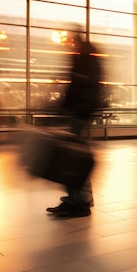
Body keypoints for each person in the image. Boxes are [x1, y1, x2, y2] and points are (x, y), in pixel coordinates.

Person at [46, 31, 102, 218]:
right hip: (80, 111)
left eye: (70, 41)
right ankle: (78, 198)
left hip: (78, 112)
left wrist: (63, 106)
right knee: (74, 156)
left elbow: (77, 87)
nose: (68, 44)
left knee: (72, 158)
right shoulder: (90, 58)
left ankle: (79, 201)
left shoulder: (84, 60)